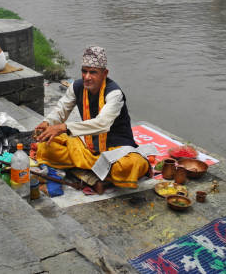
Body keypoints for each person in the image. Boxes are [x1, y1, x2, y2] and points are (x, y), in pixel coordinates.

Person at [35, 46, 150, 192]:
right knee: (47, 146)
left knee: (130, 165)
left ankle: (84, 173)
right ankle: (95, 175)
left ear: (104, 73)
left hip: (115, 149)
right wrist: (47, 123)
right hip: (88, 147)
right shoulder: (76, 87)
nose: (87, 77)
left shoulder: (114, 94)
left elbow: (103, 124)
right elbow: (61, 110)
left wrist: (63, 127)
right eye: (84, 71)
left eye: (93, 72)